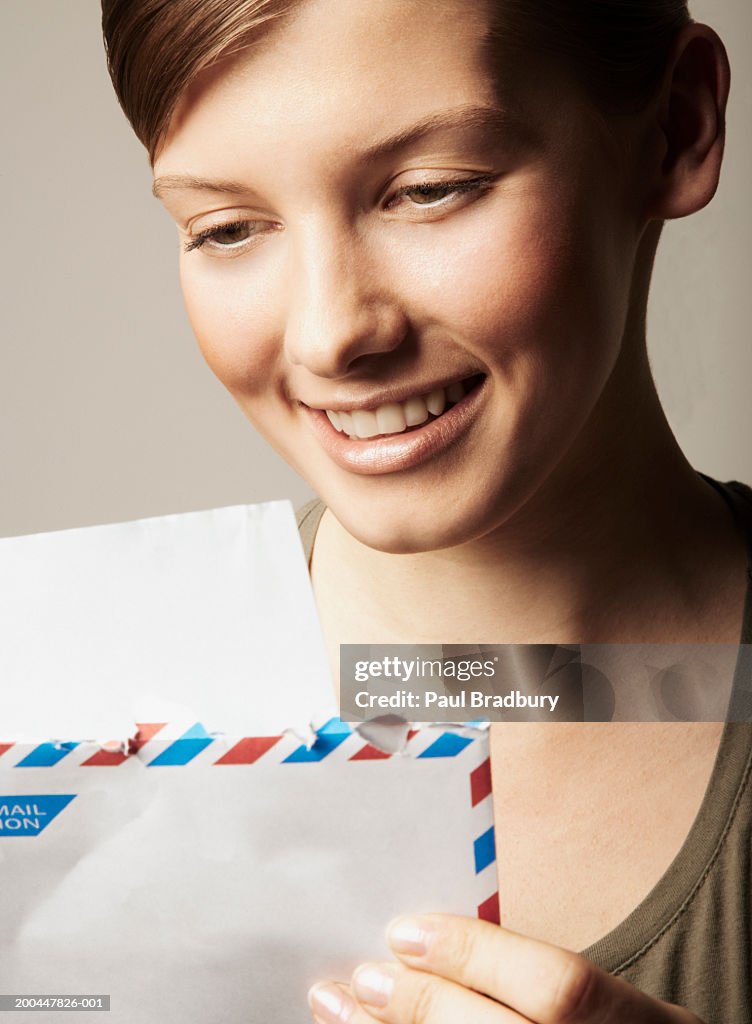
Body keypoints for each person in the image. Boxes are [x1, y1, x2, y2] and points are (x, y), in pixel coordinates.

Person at [101, 1, 751, 1021]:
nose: (328, 335)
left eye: (426, 191)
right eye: (225, 227)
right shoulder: (56, 707)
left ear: (675, 123)